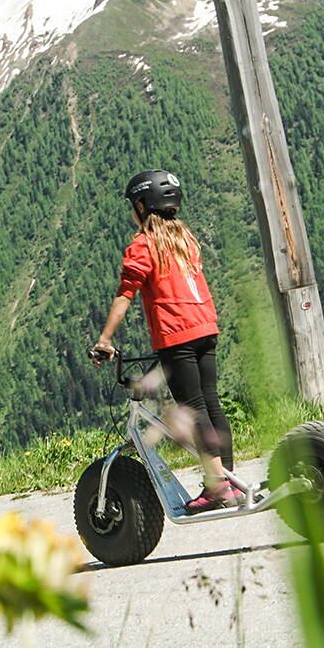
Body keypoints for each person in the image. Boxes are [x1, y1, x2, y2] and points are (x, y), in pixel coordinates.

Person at [90, 169, 240, 513]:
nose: (132, 212)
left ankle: (217, 486)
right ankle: (226, 476)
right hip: (205, 328)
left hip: (177, 337)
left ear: (143, 205)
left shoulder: (143, 246)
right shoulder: (185, 239)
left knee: (193, 407)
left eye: (133, 205)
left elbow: (125, 295)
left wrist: (104, 339)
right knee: (211, 401)